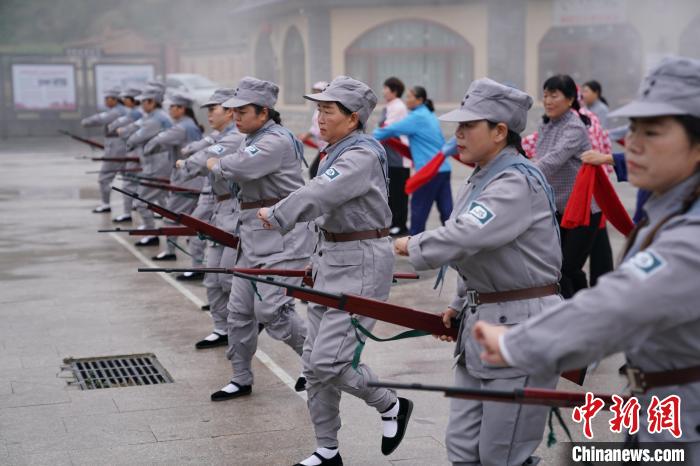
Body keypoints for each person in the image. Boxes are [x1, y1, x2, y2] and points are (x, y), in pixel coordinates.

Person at [474, 56, 700, 460]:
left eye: (652, 131)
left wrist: (518, 343)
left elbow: (617, 304)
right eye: (632, 128)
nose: (632, 142)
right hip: (660, 414)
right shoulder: (671, 210)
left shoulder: (690, 235)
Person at [393, 78, 561, 466]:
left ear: (500, 131)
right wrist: (458, 301)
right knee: (463, 447)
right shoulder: (483, 176)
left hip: (521, 328)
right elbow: (482, 252)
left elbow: (466, 234)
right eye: (459, 126)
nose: (459, 134)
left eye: (469, 126)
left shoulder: (515, 181)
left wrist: (411, 244)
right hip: (482, 325)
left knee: (503, 454)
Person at [258, 75, 413, 466]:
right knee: (312, 363)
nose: (319, 117)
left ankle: (390, 403)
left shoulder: (360, 153)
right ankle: (327, 449)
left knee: (330, 362)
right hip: (333, 257)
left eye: (328, 110)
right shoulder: (336, 150)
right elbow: (328, 211)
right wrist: (315, 257)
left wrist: (277, 214)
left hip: (361, 263)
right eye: (318, 109)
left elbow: (320, 194)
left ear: (354, 116)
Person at [206, 77, 314, 401]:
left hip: (283, 236)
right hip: (252, 234)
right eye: (233, 111)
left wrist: (216, 163)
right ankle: (240, 377)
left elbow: (239, 168)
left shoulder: (275, 140)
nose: (235, 116)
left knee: (273, 311)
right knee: (238, 311)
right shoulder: (252, 136)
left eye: (242, 111)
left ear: (263, 111)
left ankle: (317, 365)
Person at [176, 87, 245, 340]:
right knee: (213, 275)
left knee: (228, 277)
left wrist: (189, 165)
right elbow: (200, 153)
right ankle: (221, 328)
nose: (209, 115)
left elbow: (202, 157)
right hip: (219, 207)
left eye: (214, 109)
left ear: (230, 111)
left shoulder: (235, 138)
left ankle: (246, 321)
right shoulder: (219, 136)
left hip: (235, 210)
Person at [534, 74, 595, 298]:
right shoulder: (545, 124)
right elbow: (538, 155)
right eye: (545, 95)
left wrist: (524, 174)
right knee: (556, 268)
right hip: (558, 209)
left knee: (568, 268)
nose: (548, 101)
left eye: (554, 95)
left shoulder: (575, 127)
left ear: (570, 100)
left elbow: (553, 159)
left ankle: (583, 313)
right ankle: (574, 312)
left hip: (582, 211)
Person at [374, 85, 452, 235]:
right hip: (443, 168)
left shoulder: (417, 117)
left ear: (420, 100)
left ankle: (414, 248)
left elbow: (390, 130)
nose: (407, 99)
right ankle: (456, 246)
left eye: (410, 97)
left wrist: (366, 139)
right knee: (447, 214)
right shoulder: (429, 114)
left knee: (419, 213)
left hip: (428, 172)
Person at [144, 92, 204, 261]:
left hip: (185, 181)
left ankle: (170, 252)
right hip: (195, 180)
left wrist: (148, 150)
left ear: (181, 109)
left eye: (172, 107)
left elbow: (156, 142)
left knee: (170, 217)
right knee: (195, 221)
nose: (169, 110)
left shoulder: (181, 127)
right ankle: (197, 260)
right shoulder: (190, 125)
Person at [124, 85, 173, 247]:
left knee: (141, 201)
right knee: (164, 200)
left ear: (152, 102)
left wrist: (127, 138)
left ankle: (151, 233)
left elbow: (135, 138)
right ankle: (161, 228)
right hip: (159, 164)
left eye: (144, 101)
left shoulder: (155, 119)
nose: (141, 105)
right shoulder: (155, 116)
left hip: (157, 166)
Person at [80, 86, 129, 214]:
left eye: (107, 99)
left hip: (116, 148)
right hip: (122, 146)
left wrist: (85, 121)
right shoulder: (123, 110)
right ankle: (132, 205)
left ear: (115, 99)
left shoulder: (116, 111)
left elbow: (98, 119)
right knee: (129, 178)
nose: (106, 101)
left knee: (104, 177)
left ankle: (105, 204)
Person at [379, 76, 411, 236]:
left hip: (399, 156)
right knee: (392, 191)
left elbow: (386, 128)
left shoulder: (398, 106)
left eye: (386, 89)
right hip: (390, 156)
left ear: (394, 90)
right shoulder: (390, 105)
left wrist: (373, 139)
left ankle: (400, 224)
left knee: (399, 192)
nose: (384, 92)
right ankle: (394, 222)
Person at [108, 87, 143, 223]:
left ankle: (127, 213)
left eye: (126, 99)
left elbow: (120, 127)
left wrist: (121, 131)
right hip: (140, 153)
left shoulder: (135, 113)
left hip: (137, 153)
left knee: (129, 184)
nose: (124, 101)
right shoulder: (141, 113)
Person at [298, 81, 329, 178]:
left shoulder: (328, 108)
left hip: (327, 147)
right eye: (314, 91)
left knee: (317, 172)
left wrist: (306, 136)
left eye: (318, 91)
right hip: (322, 147)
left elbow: (320, 129)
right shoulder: (318, 108)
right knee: (315, 171)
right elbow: (315, 126)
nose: (316, 94)